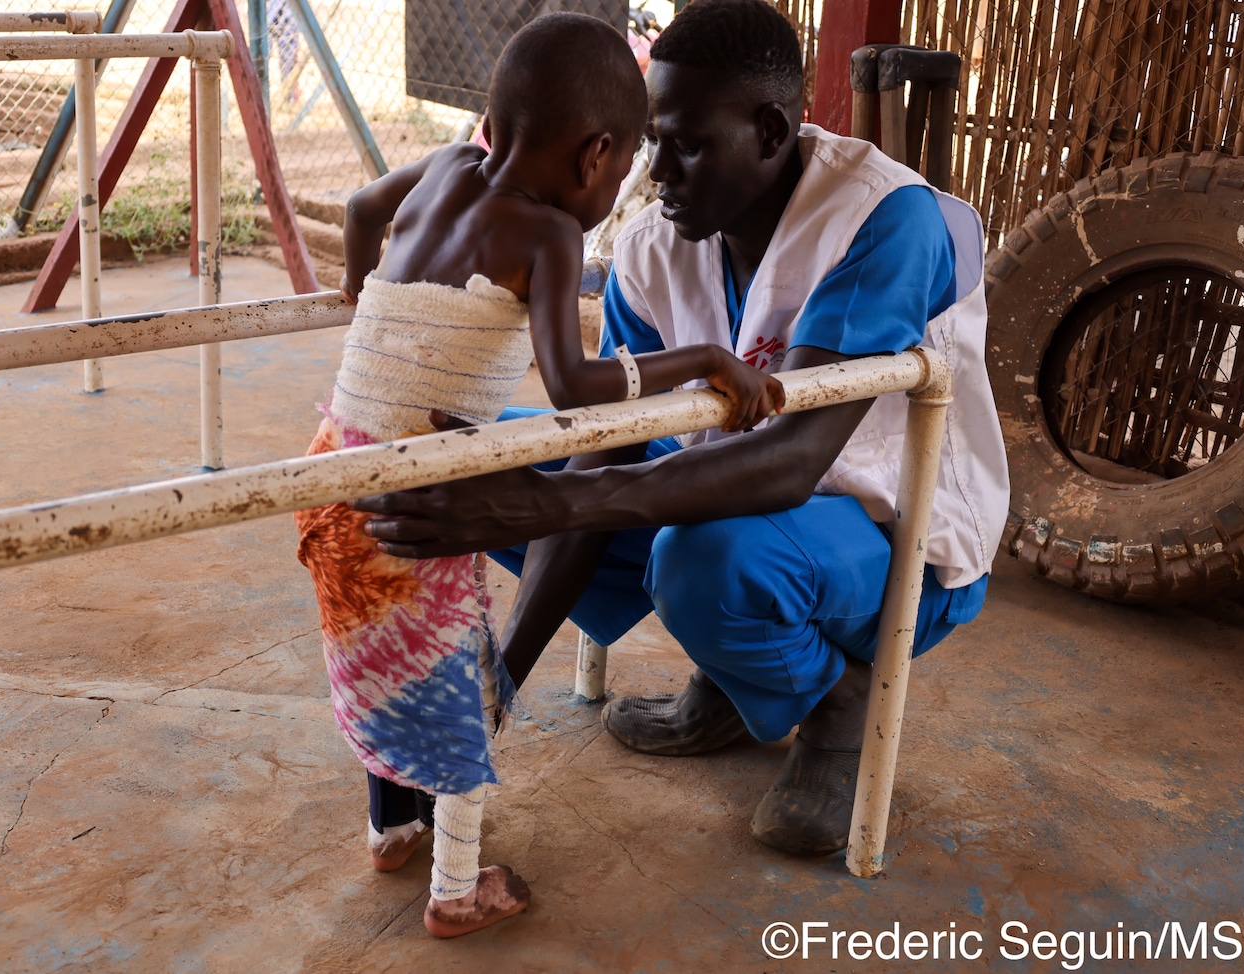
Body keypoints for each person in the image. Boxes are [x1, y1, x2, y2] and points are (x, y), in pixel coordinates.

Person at [353, 0, 1010, 860]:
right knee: (473, 458)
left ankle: (840, 704)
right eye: (650, 139)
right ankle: (736, 683)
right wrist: (496, 688)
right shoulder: (658, 239)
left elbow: (791, 459)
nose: (655, 171)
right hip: (745, 500)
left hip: (893, 542)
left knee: (699, 560)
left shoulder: (880, 220)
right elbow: (606, 434)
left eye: (686, 145)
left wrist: (541, 507)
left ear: (772, 130)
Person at [292, 12, 783, 939]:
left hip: (332, 466)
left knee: (378, 661)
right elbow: (572, 385)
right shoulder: (551, 235)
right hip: (418, 488)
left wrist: (366, 301)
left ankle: (391, 825)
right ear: (598, 155)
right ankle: (457, 886)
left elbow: (361, 216)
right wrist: (701, 359)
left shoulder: (442, 169)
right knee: (456, 682)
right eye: (632, 163)